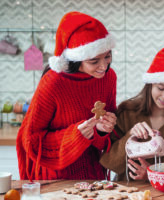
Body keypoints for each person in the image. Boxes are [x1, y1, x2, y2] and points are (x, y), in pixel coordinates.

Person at [16, 11, 117, 180]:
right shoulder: (53, 82)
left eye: (107, 57)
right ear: (76, 59)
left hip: (93, 174)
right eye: (94, 61)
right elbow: (31, 140)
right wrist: (75, 136)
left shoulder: (109, 77)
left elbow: (107, 138)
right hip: (55, 177)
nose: (103, 66)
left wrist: (101, 130)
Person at [100, 46, 164, 181]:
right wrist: (130, 136)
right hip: (124, 193)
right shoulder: (127, 113)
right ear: (150, 84)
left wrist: (153, 176)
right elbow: (108, 162)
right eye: (161, 88)